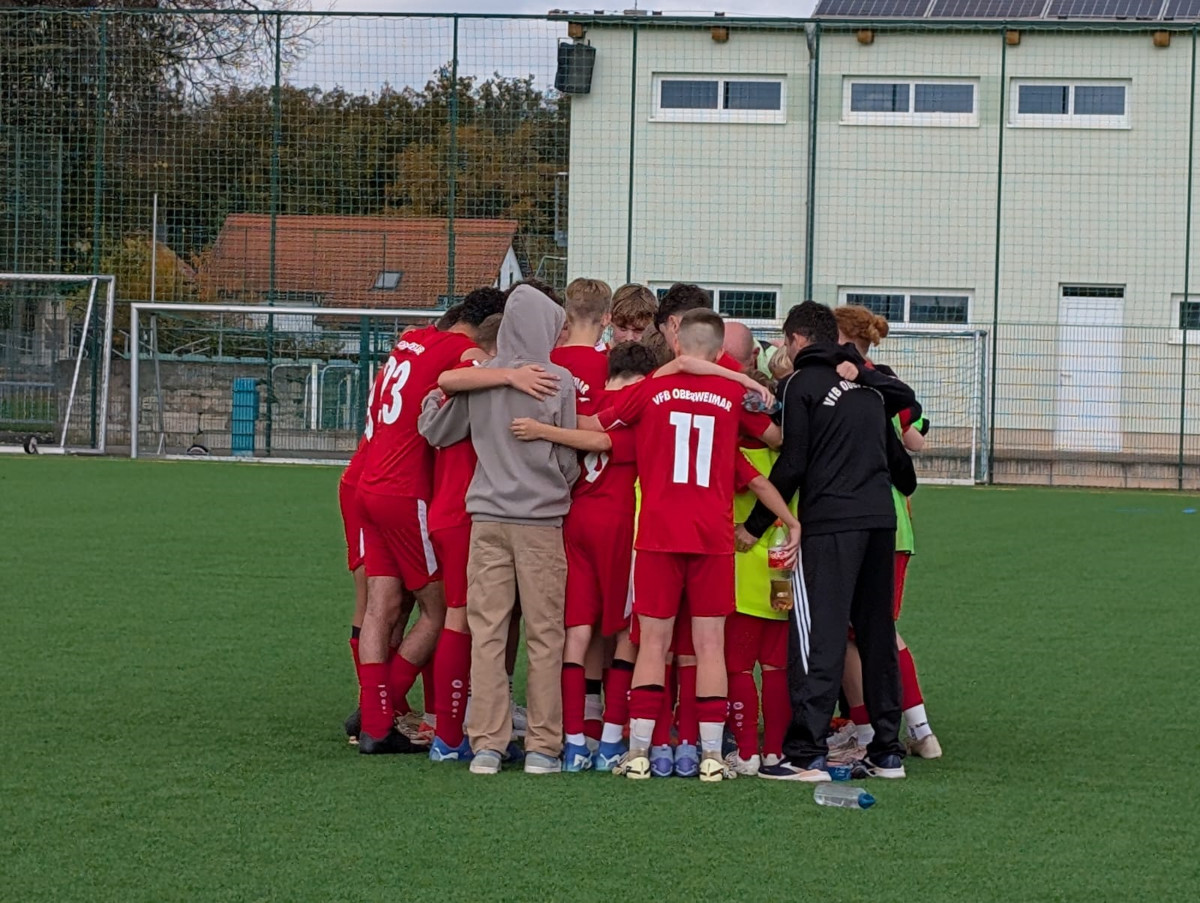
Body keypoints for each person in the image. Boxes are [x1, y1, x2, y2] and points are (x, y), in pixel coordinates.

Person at [594, 309, 799, 783]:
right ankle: (710, 756)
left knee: (653, 644)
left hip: (659, 537)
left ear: (677, 344)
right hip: (712, 539)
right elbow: (758, 468)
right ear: (719, 351)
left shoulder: (651, 390)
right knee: (710, 646)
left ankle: (639, 752)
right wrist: (791, 522)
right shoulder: (731, 396)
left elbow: (601, 425)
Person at [740, 300, 918, 782]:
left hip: (831, 524)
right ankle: (886, 751)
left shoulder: (801, 383)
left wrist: (754, 525)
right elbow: (900, 465)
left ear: (798, 339)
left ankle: (805, 753)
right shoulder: (866, 387)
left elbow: (792, 462)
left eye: (785, 340)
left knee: (818, 632)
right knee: (876, 634)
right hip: (879, 522)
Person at [419, 285, 578, 776]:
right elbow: (568, 457)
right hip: (540, 521)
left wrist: (433, 399)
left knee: (486, 633)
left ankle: (487, 742)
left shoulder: (483, 377)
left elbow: (438, 431)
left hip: (487, 518)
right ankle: (543, 746)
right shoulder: (557, 379)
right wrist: (557, 481)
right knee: (545, 636)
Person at [353, 288, 505, 754]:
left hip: (368, 483)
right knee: (441, 611)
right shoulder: (461, 350)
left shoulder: (412, 337)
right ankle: (378, 712)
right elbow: (472, 372)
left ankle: (374, 720)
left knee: (381, 606)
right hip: (407, 490)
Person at [510, 341, 660, 772]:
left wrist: (544, 428)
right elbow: (602, 440)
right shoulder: (637, 408)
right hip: (619, 524)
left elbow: (585, 434)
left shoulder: (583, 402)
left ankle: (575, 740)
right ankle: (610, 741)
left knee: (578, 630)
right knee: (625, 630)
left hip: (574, 519)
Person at [832, 305, 941, 760]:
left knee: (858, 634)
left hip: (868, 518)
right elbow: (917, 440)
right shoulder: (886, 380)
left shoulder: (847, 381)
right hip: (895, 520)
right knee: (871, 630)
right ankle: (916, 730)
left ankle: (874, 731)